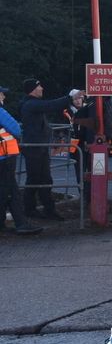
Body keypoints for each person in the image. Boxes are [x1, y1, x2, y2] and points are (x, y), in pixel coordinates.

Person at [19, 79, 83, 220]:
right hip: (35, 148)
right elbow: (50, 105)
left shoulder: (31, 104)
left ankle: (44, 210)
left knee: (43, 179)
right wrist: (71, 98)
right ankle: (32, 210)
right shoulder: (31, 104)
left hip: (39, 147)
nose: (42, 88)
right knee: (36, 179)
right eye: (39, 86)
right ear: (33, 89)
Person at [0, 87, 42, 234]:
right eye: (2, 94)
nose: (4, 96)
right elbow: (16, 129)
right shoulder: (0, 111)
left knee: (8, 191)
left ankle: (16, 223)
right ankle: (21, 224)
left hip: (3, 156)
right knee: (10, 192)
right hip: (5, 156)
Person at [65, 92, 94, 201]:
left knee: (90, 169)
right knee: (80, 171)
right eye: (75, 99)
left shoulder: (88, 110)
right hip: (75, 146)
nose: (77, 101)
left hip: (85, 143)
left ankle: (90, 195)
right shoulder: (68, 112)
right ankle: (84, 196)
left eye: (79, 98)